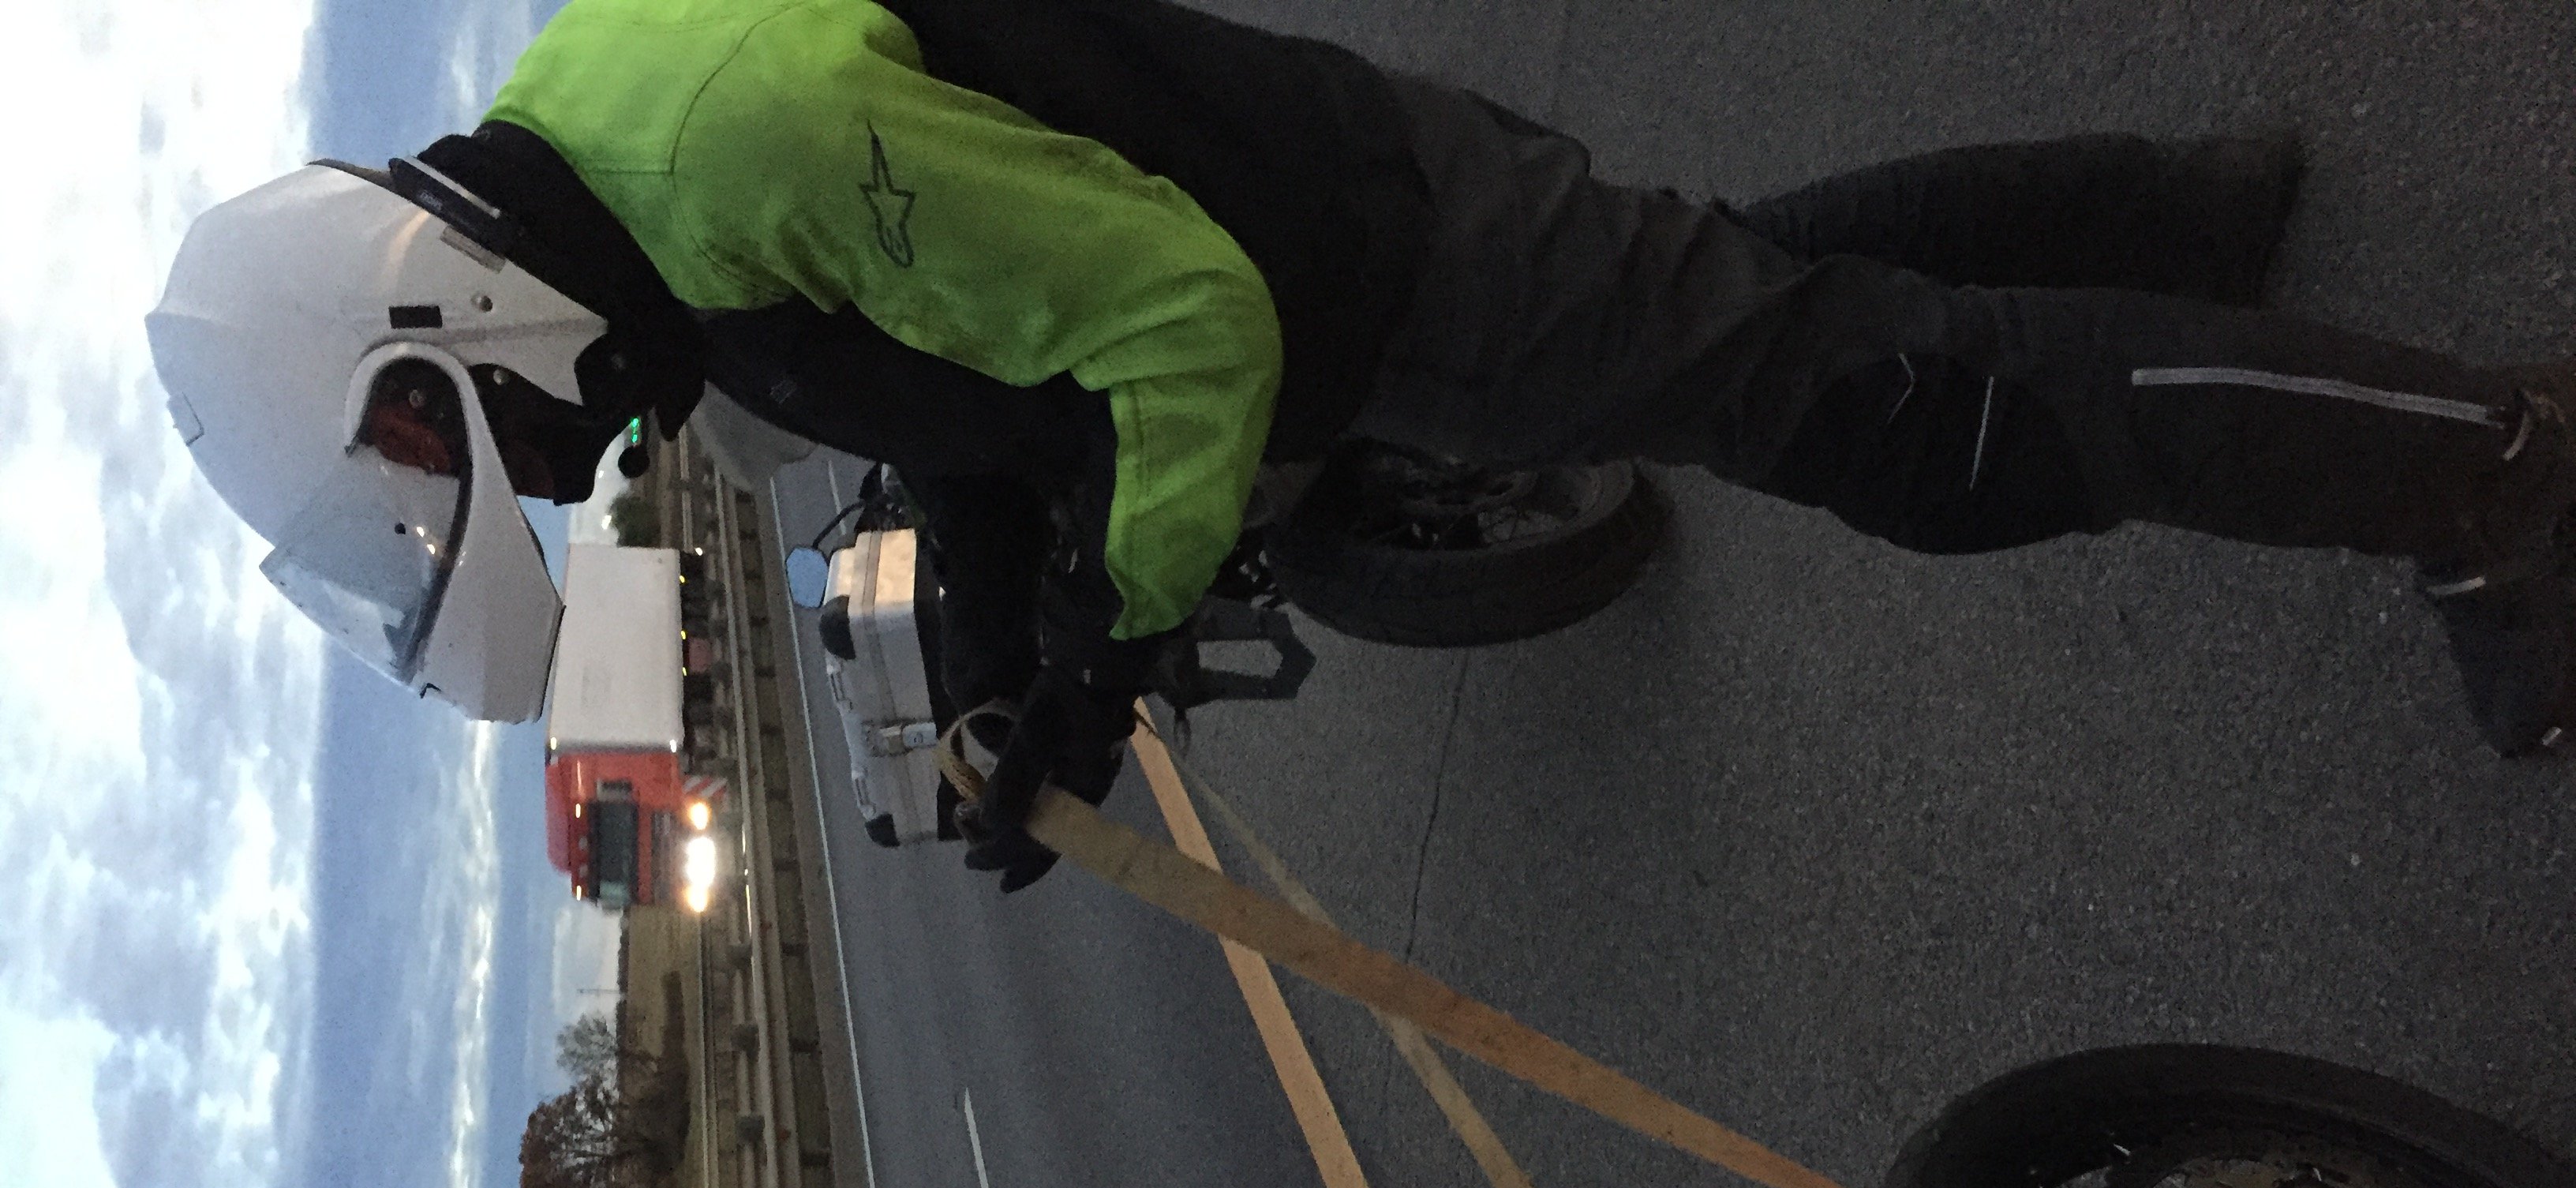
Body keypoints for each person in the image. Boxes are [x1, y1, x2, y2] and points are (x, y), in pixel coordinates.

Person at [149, 0, 2576, 890]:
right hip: (1361, 253)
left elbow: (1171, 321)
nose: (565, 472)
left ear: (435, 341)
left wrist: (1119, 635)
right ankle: (2181, 216)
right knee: (1785, 308)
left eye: (516, 453)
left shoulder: (730, 152)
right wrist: (1010, 674)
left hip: (1373, 258)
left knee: (1908, 415)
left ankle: (2496, 480)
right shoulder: (611, 167)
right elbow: (963, 383)